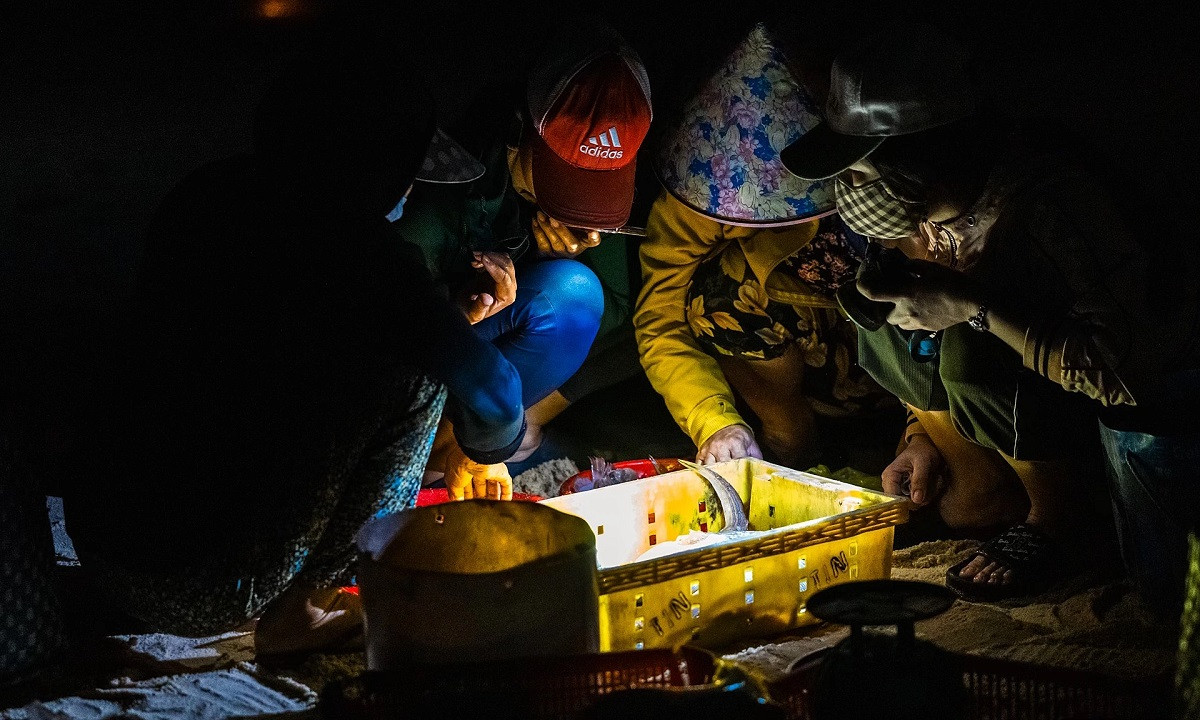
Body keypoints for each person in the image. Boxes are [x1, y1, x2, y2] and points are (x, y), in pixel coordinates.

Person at [58, 31, 527, 659]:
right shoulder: (365, 257)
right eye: (405, 173)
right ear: (373, 168)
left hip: (105, 540)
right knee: (418, 380)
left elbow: (271, 348)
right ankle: (302, 608)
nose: (412, 192)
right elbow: (492, 389)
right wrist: (487, 444)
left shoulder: (205, 196)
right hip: (203, 585)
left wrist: (440, 320)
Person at [781, 21, 1200, 609]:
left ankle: (1059, 520)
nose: (850, 192)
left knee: (972, 356)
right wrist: (917, 434)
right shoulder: (930, 214)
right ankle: (971, 478)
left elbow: (1124, 379)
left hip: (1133, 401)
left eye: (858, 171)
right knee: (882, 317)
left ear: (919, 159)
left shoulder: (1054, 202)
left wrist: (973, 307)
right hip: (1026, 394)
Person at [392, 18, 653, 477]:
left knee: (575, 292)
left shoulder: (594, 221)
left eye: (596, 189)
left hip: (492, 368)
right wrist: (459, 308)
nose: (582, 221)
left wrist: (556, 258)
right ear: (522, 135)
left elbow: (619, 321)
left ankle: (466, 448)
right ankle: (427, 451)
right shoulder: (445, 191)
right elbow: (392, 325)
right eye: (568, 185)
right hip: (422, 351)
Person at [634, 22, 897, 470]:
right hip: (794, 354)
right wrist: (716, 422)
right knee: (714, 297)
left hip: (892, 335)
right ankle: (793, 446)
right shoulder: (701, 190)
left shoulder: (890, 171)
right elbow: (661, 320)